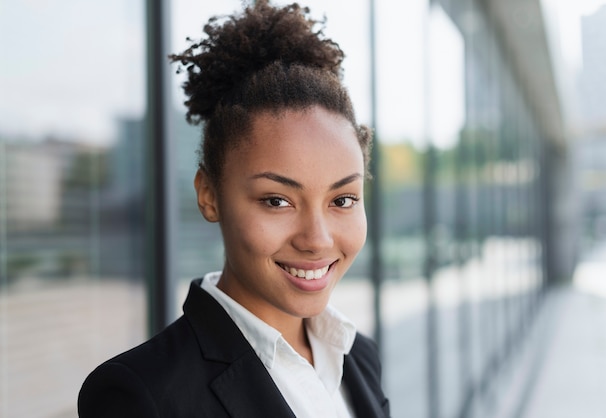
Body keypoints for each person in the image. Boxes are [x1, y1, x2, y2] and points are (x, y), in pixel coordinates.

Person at [78, 1, 390, 416]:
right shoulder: (143, 394)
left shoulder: (359, 357)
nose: (317, 239)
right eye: (277, 201)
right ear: (208, 194)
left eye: (342, 200)